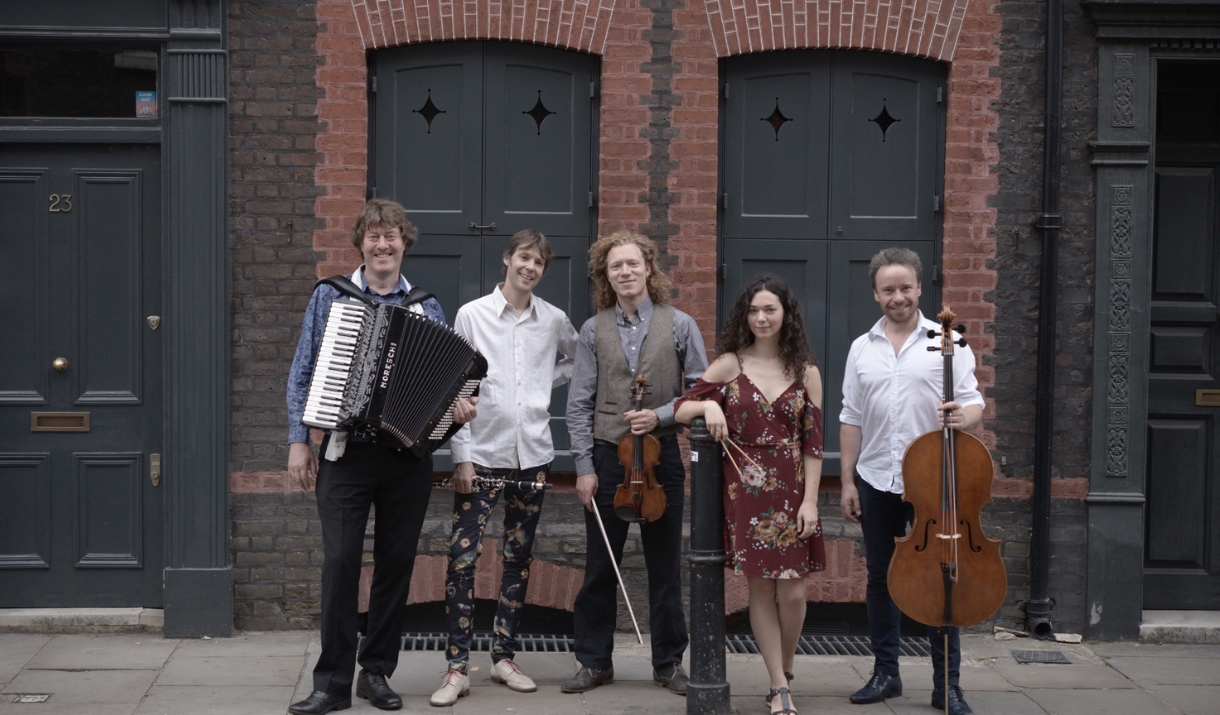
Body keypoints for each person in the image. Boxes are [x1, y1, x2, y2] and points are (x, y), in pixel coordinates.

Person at [285, 199, 477, 715]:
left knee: (396, 566)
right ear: (361, 245)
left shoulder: (425, 306)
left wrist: (455, 411)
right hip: (345, 455)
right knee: (341, 563)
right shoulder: (331, 296)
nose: (383, 245)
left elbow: (442, 388)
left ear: (404, 244)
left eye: (391, 236)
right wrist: (298, 440)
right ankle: (330, 683)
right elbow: (302, 372)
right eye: (373, 237)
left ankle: (376, 673)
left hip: (405, 460)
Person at [429, 229, 579, 706]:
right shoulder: (472, 316)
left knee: (518, 559)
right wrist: (462, 458)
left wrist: (540, 387)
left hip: (532, 457)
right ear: (507, 260)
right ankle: (457, 668)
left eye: (539, 262)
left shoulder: (553, 319)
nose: (530, 267)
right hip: (483, 457)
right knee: (463, 560)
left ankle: (504, 658)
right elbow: (457, 387)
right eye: (523, 258)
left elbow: (580, 361)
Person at [838, 247, 984, 715]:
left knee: (944, 577)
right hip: (877, 476)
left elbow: (974, 403)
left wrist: (963, 417)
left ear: (920, 288)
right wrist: (846, 482)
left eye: (905, 287)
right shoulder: (862, 348)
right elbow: (851, 418)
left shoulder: (949, 343)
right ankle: (886, 673)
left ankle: (949, 686)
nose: (897, 297)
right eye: (888, 290)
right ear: (876, 294)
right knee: (881, 577)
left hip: (935, 481)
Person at [562, 230, 708, 696]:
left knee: (665, 565)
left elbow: (703, 391)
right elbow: (579, 404)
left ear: (649, 268)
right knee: (600, 563)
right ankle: (593, 662)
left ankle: (668, 663)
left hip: (661, 459)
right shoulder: (592, 329)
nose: (625, 272)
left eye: (632, 264)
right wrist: (583, 467)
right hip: (608, 459)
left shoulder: (680, 324)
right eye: (614, 267)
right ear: (606, 277)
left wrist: (662, 413)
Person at [675, 274, 825, 715]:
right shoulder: (729, 364)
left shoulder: (807, 372)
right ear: (745, 315)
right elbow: (682, 407)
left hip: (794, 488)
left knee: (794, 594)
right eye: (754, 310)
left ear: (786, 315)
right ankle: (779, 686)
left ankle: (787, 668)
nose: (761, 318)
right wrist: (710, 404)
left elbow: (814, 444)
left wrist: (812, 501)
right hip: (747, 490)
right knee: (761, 590)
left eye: (770, 310)